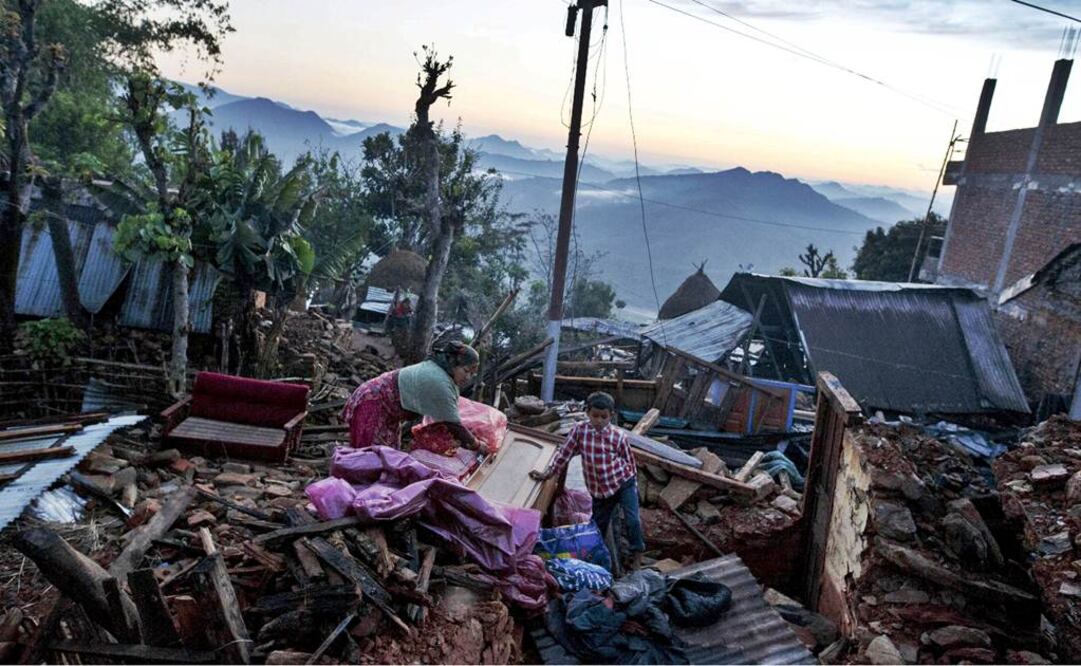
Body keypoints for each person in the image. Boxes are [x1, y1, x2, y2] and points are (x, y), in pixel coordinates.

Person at [530, 391, 645, 570]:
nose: (599, 421)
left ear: (611, 416)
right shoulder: (580, 431)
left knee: (633, 520)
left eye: (604, 417)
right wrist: (548, 473)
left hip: (623, 482)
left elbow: (629, 462)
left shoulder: (618, 436)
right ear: (587, 413)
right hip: (599, 490)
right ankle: (596, 559)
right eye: (595, 416)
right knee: (597, 526)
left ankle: (637, 554)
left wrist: (634, 486)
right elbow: (564, 454)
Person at [343, 341, 486, 453]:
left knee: (388, 456)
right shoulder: (440, 382)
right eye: (466, 371)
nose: (468, 377)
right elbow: (453, 425)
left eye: (472, 374)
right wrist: (477, 445)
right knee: (368, 458)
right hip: (372, 405)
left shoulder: (443, 375)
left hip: (387, 411)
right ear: (453, 363)